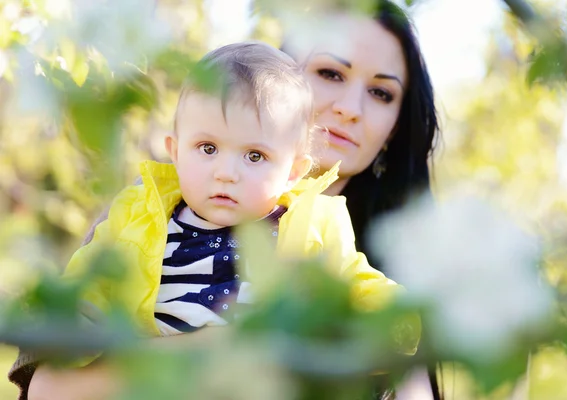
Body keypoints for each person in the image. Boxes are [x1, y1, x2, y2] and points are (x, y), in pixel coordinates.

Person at [10, 0, 439, 398]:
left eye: (381, 92)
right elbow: (50, 386)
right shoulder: (143, 217)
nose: (350, 107)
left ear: (396, 128)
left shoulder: (382, 262)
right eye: (330, 73)